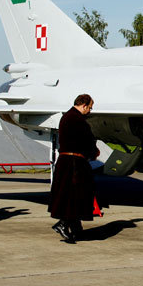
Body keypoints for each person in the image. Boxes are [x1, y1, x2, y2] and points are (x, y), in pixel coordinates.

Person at [49, 94, 99, 244]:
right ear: (84, 105)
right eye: (89, 107)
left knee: (68, 194)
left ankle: (74, 225)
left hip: (66, 160)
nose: (90, 111)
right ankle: (64, 224)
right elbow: (87, 141)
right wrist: (93, 152)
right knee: (76, 194)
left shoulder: (67, 117)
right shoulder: (78, 120)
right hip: (75, 162)